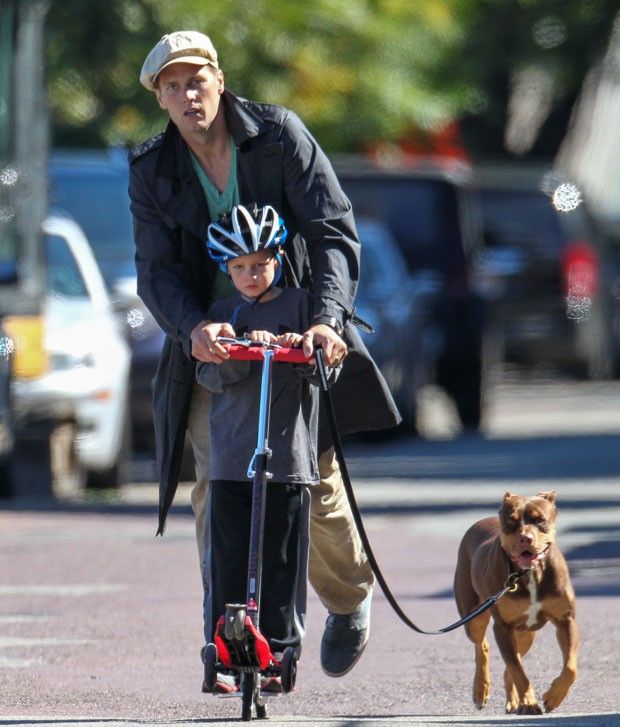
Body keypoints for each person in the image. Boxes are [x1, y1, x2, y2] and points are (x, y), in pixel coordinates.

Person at [129, 30, 401, 684]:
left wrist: (326, 320)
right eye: (172, 86)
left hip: (292, 334)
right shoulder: (151, 169)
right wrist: (192, 326)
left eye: (196, 80)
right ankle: (227, 635)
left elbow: (333, 233)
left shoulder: (279, 135)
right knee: (216, 488)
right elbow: (156, 272)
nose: (187, 94)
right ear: (160, 100)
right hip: (215, 346)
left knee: (312, 489)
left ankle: (348, 595)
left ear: (219, 80)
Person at [198, 202, 330, 693]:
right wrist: (237, 348)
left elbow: (326, 369)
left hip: (288, 458)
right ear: (226, 270)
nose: (250, 275)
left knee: (280, 559)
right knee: (228, 557)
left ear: (277, 258)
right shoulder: (220, 315)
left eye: (259, 264)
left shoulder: (301, 305)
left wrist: (299, 346)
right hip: (233, 458)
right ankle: (223, 652)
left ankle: (279, 650)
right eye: (238, 268)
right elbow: (210, 375)